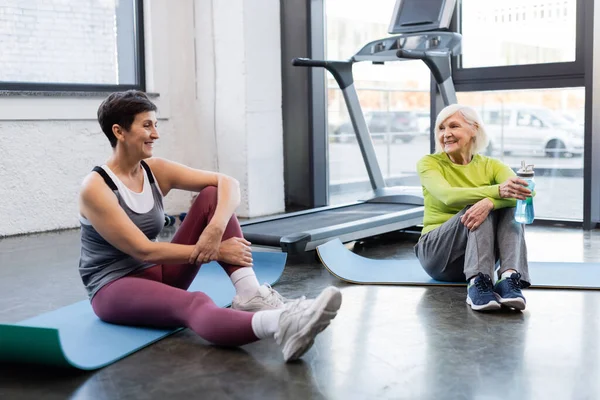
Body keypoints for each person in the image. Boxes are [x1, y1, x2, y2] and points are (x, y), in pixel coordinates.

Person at [78, 90, 342, 362]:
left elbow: (229, 183)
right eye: (147, 125)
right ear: (119, 132)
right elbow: (143, 251)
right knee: (195, 302)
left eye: (156, 125)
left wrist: (215, 229)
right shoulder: (96, 188)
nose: (155, 134)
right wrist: (216, 251)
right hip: (114, 287)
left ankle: (250, 294)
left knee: (212, 195)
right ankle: (282, 324)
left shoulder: (153, 170)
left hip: (158, 273)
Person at [414, 104, 532, 312]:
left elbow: (526, 193)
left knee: (507, 207)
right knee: (478, 207)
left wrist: (491, 202)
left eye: (453, 126)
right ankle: (477, 283)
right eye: (441, 129)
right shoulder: (429, 163)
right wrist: (493, 195)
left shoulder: (492, 165)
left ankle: (508, 278)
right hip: (437, 254)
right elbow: (448, 196)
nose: (446, 134)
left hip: (482, 257)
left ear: (474, 129)